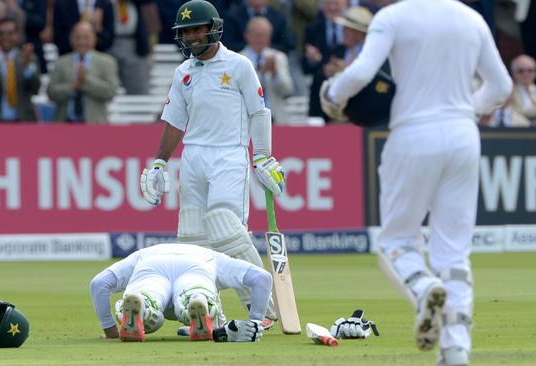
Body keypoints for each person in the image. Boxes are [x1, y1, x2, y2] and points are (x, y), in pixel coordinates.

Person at [320, 1, 512, 365]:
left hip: (413, 134)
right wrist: (464, 110)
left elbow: (361, 72)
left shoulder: (393, 17)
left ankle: (425, 289)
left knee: (396, 242)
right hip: (463, 134)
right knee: (454, 252)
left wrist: (332, 95)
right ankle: (456, 350)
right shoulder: (472, 18)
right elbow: (501, 86)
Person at [139, 0, 285, 329]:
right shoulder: (183, 72)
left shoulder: (238, 65)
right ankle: (204, 308)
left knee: (225, 229)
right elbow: (174, 122)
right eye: (185, 32)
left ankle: (264, 309)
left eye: (196, 29)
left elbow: (259, 112)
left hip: (229, 155)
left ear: (212, 28)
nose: (191, 37)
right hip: (194, 157)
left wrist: (262, 155)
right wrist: (160, 162)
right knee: (192, 238)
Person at [89, 243, 272, 342]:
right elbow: (262, 278)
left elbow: (99, 284)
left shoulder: (141, 254)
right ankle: (198, 301)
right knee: (195, 290)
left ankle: (143, 307)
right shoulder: (214, 257)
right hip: (199, 263)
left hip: (151, 262)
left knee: (148, 297)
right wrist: (255, 323)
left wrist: (110, 330)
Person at [47, 21, 119, 123]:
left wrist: (85, 80)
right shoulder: (61, 62)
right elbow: (51, 92)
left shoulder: (107, 62)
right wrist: (72, 86)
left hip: (95, 125)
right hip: (65, 124)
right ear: (71, 39)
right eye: (77, 37)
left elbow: (111, 91)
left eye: (86, 37)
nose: (81, 42)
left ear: (94, 38)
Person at [0, 17, 40, 122]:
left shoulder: (29, 57)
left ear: (17, 35)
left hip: (22, 121)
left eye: (10, 33)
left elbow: (35, 89)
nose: (5, 37)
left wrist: (26, 68)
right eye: (1, 33)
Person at [240, 16, 294, 124]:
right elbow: (241, 91)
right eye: (257, 35)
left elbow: (288, 90)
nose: (261, 39)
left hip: (275, 118)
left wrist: (275, 73)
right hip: (248, 118)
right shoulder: (239, 59)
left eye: (264, 35)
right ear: (247, 36)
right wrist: (261, 73)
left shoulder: (279, 57)